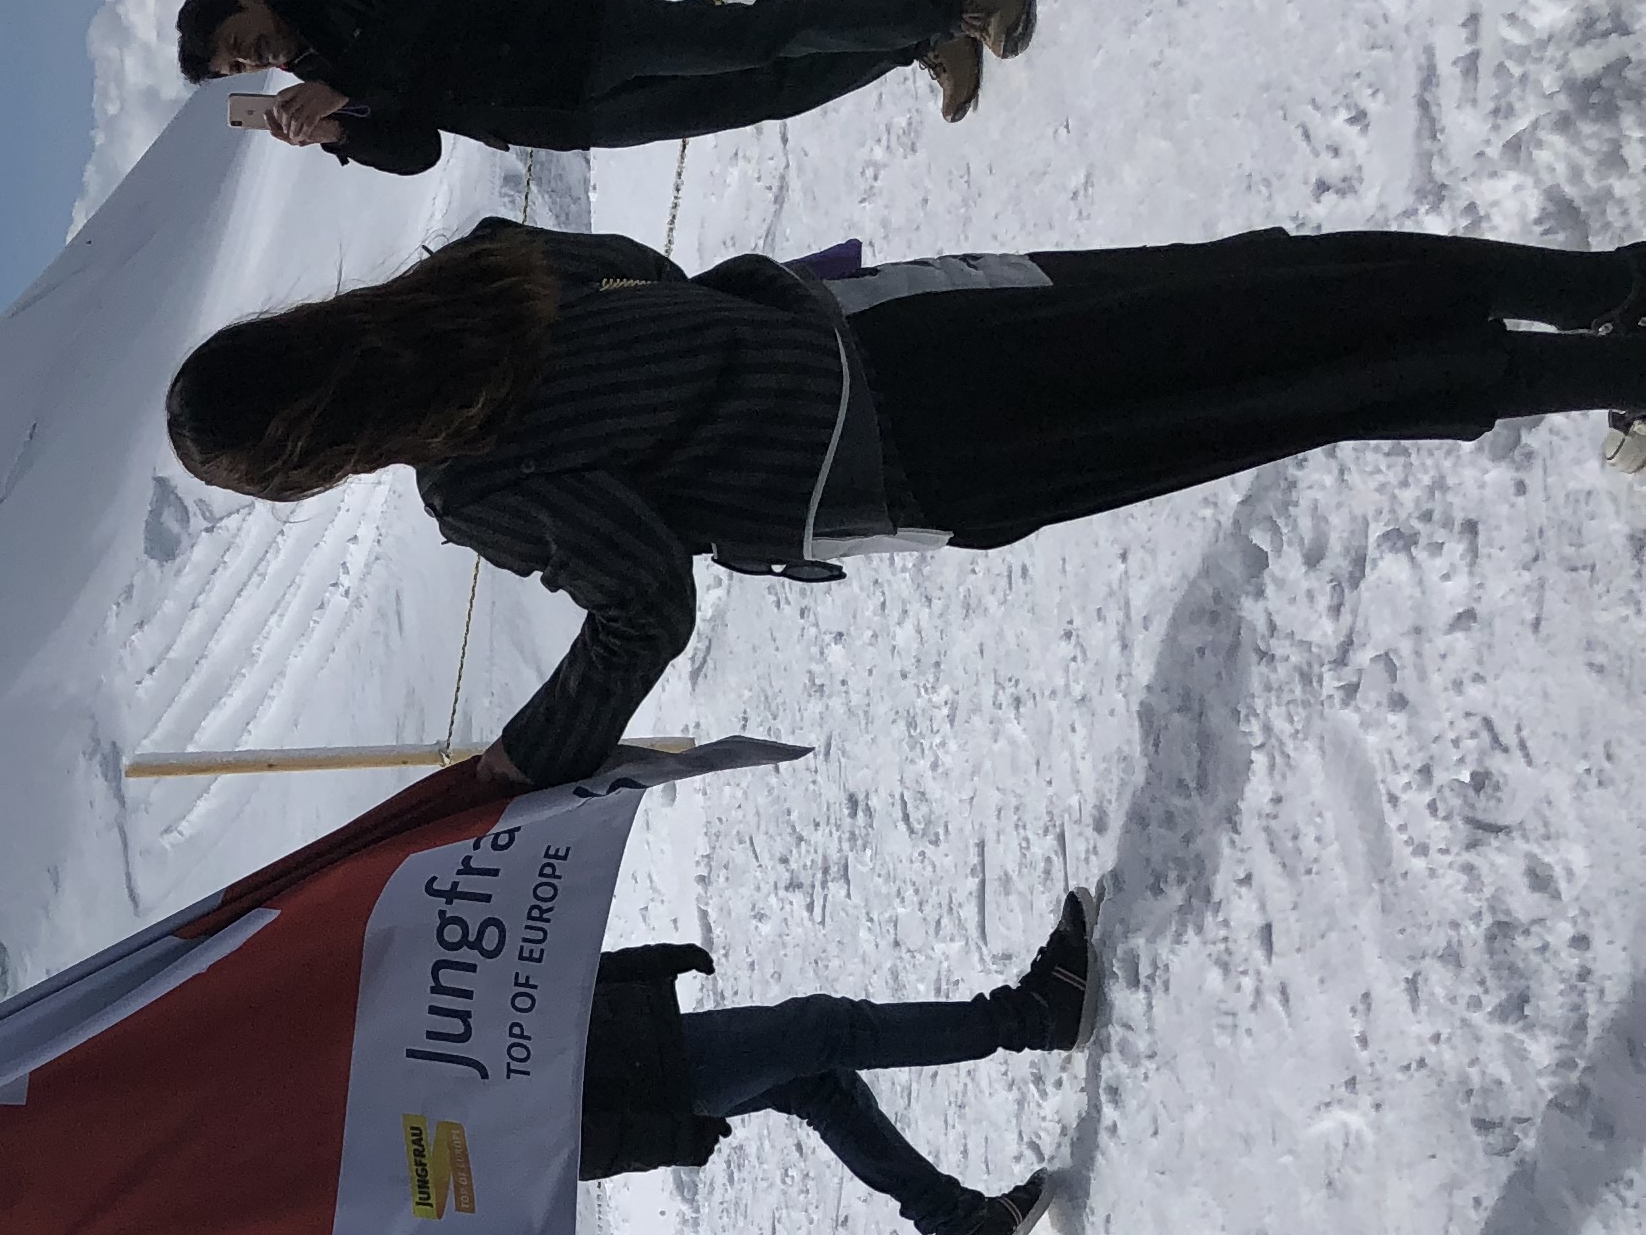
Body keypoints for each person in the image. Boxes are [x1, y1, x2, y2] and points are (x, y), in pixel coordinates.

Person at [162, 221, 1646, 789]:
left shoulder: (479, 480)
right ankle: (1595, 288)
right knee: (1260, 288)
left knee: (1277, 394)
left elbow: (643, 607)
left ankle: (1613, 369)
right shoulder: (480, 267)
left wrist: (526, 766)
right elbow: (649, 273)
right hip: (904, 317)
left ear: (318, 461)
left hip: (927, 456)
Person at [176, 0, 1033, 169]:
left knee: (759, 33)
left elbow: (424, 4)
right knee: (759, 95)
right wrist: (336, 134)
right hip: (564, 114)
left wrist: (339, 84)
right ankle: (916, 40)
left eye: (237, 41)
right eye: (235, 68)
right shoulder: (317, 90)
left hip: (580, 34)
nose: (251, 57)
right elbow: (419, 148)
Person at [588, 888, 1096, 1235]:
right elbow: (539, 1149)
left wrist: (633, 968)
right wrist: (662, 1137)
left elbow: (531, 984)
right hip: (648, 1082)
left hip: (636, 1041)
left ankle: (964, 1226)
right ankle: (1037, 1016)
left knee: (817, 1084)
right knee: (827, 1030)